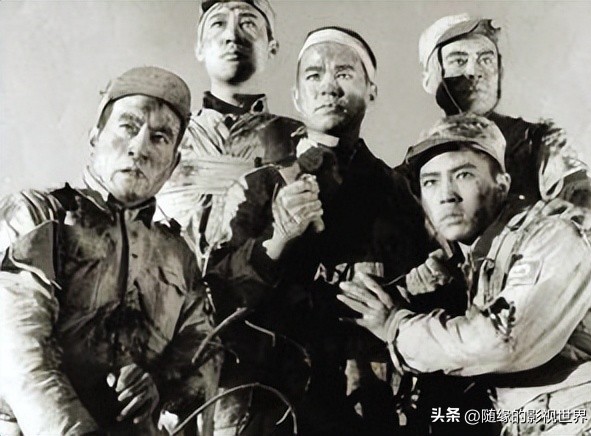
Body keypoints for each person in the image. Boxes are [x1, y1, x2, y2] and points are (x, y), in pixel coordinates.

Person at [208, 26, 429, 435]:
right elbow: (215, 301)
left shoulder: (401, 193)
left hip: (376, 407)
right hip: (278, 408)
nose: (328, 85)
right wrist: (277, 240)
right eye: (314, 75)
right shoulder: (258, 187)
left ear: (372, 91)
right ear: (297, 97)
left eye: (344, 73)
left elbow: (430, 295)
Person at [339, 113, 591, 436]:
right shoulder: (476, 264)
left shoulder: (553, 235)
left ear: (502, 183)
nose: (446, 194)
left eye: (463, 175)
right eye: (430, 182)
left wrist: (397, 325)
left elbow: (502, 341)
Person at [0, 67, 220, 436]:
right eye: (128, 127)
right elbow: (16, 346)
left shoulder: (178, 255)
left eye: (160, 137)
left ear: (173, 164)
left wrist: (158, 387)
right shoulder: (38, 215)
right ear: (95, 136)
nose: (140, 147)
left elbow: (202, 350)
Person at [155, 0, 295, 273]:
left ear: (272, 48)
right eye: (218, 23)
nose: (232, 35)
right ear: (199, 47)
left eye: (248, 23)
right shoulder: (164, 136)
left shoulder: (297, 140)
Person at [415, 13, 591, 207]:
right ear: (429, 78)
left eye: (486, 60)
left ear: (500, 71)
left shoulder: (536, 143)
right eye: (459, 61)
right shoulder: (413, 169)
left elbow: (586, 203)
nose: (474, 72)